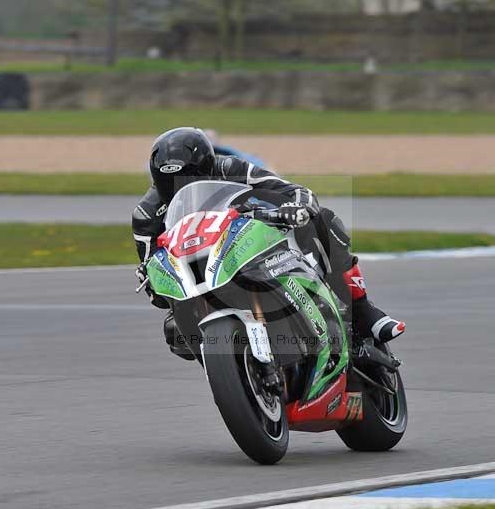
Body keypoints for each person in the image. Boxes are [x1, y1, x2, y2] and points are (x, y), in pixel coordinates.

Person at [132, 127, 405, 355]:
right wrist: (152, 279)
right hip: (197, 281)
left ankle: (361, 307)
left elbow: (291, 190)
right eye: (170, 183)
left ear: (208, 167)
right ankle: (234, 374)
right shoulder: (146, 216)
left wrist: (297, 206)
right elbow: (154, 279)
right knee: (174, 331)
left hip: (243, 245)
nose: (180, 188)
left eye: (189, 179)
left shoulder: (231, 168)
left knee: (324, 218)